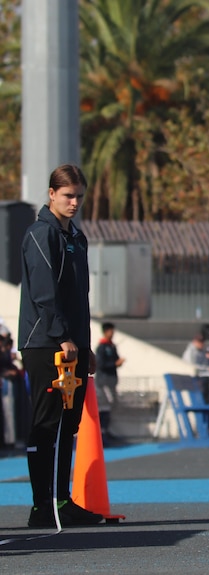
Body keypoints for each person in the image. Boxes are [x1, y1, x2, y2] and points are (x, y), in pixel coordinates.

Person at [18, 164, 103, 527]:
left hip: (73, 344)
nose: (74, 203)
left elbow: (78, 297)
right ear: (51, 194)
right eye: (68, 196)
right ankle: (42, 505)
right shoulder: (41, 234)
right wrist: (62, 336)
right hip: (45, 342)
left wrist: (84, 345)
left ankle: (61, 499)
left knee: (68, 425)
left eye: (79, 197)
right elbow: (43, 293)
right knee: (47, 423)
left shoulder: (77, 237)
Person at [94, 322, 125, 439]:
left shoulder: (112, 346)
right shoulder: (102, 347)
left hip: (111, 382)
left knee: (111, 405)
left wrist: (118, 363)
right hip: (103, 382)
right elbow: (100, 364)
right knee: (104, 406)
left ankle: (106, 431)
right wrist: (114, 364)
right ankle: (102, 432)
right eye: (111, 331)